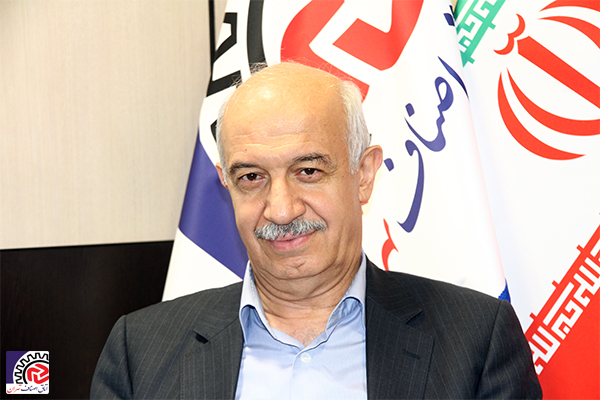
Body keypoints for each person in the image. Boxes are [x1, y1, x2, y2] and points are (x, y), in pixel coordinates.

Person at [91, 63, 542, 399]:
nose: (281, 209)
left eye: (308, 171)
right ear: (226, 185)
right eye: (252, 177)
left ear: (364, 175)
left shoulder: (475, 344)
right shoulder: (140, 352)